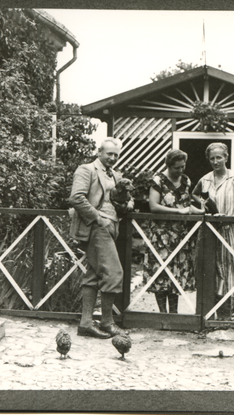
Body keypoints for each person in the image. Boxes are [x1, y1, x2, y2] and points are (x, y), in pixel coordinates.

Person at [69, 138, 130, 339]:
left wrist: (126, 204)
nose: (112, 158)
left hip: (112, 227)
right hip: (96, 227)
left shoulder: (116, 175)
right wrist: (97, 219)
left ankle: (86, 323)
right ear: (99, 152)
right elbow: (76, 197)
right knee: (113, 273)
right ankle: (107, 322)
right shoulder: (87, 170)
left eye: (116, 155)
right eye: (109, 154)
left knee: (95, 274)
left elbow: (119, 202)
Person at [143, 149, 204, 313]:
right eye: (177, 168)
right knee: (161, 273)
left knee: (176, 273)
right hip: (161, 235)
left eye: (183, 167)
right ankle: (163, 313)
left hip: (180, 235)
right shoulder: (158, 180)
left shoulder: (186, 180)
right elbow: (153, 206)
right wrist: (178, 212)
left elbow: (186, 204)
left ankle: (174, 313)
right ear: (168, 165)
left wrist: (201, 212)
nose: (180, 170)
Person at [192, 142, 234, 311]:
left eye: (219, 157)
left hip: (229, 230)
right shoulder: (205, 179)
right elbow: (195, 194)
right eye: (212, 159)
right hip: (210, 231)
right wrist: (204, 204)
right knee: (211, 268)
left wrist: (230, 218)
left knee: (229, 270)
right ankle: (209, 314)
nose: (216, 161)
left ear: (226, 158)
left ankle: (225, 315)